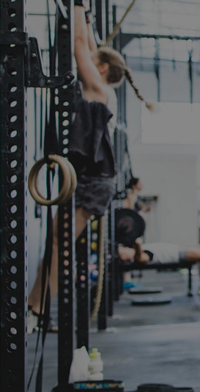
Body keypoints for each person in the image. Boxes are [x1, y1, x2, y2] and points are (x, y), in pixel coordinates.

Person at [27, 3, 152, 332]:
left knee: (58, 243)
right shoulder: (102, 89)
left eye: (93, 62)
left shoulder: (98, 90)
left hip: (93, 182)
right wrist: (84, 16)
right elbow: (88, 47)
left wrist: (78, 5)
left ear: (101, 69)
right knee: (57, 242)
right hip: (92, 180)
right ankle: (36, 306)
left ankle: (38, 309)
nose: (86, 62)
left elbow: (80, 45)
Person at [117, 239, 200, 298]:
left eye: (124, 248)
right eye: (122, 252)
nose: (125, 249)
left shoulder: (141, 251)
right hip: (176, 255)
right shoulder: (142, 254)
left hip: (177, 250)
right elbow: (141, 259)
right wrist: (138, 245)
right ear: (124, 257)